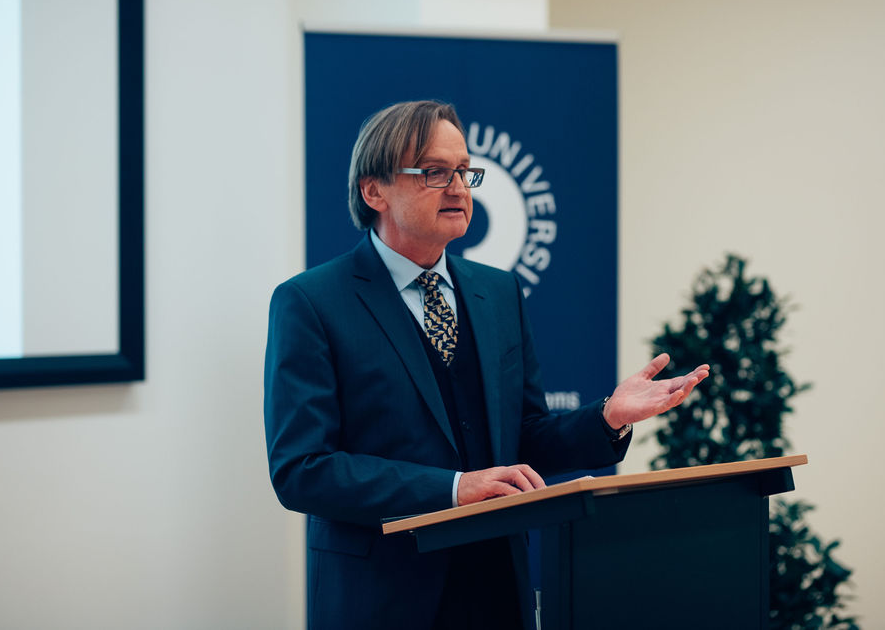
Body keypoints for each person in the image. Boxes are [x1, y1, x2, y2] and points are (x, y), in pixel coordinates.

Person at [264, 100, 709, 629]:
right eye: (434, 172)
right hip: (381, 598)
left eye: (464, 171)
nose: (458, 188)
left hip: (498, 589)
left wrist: (607, 417)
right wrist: (454, 489)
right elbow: (303, 470)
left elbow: (524, 438)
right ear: (373, 190)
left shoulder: (497, 292)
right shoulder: (311, 302)